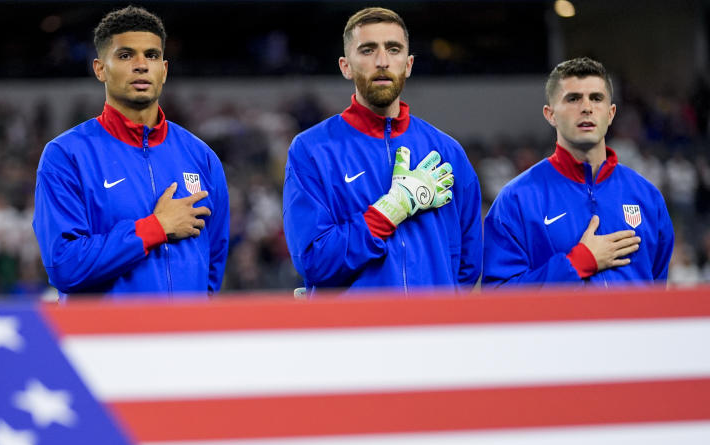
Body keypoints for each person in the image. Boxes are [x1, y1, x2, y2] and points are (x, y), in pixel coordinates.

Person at [33, 5, 229, 296]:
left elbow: (213, 263)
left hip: (187, 337)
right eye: (126, 55)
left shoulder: (201, 156)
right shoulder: (66, 155)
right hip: (109, 341)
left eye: (152, 55)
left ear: (164, 70)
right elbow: (64, 264)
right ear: (100, 68)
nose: (141, 65)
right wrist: (155, 228)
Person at [282, 7, 481, 294]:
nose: (382, 61)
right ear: (345, 66)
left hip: (433, 333)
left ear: (409, 64)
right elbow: (313, 260)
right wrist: (391, 209)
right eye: (367, 50)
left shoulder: (447, 152)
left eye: (394, 49)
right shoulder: (312, 150)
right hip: (355, 335)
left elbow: (466, 264)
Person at [483, 57, 674, 286]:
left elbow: (656, 293)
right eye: (573, 99)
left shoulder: (648, 197)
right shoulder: (516, 201)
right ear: (550, 114)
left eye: (596, 98)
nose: (586, 108)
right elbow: (500, 300)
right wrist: (577, 263)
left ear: (611, 113)